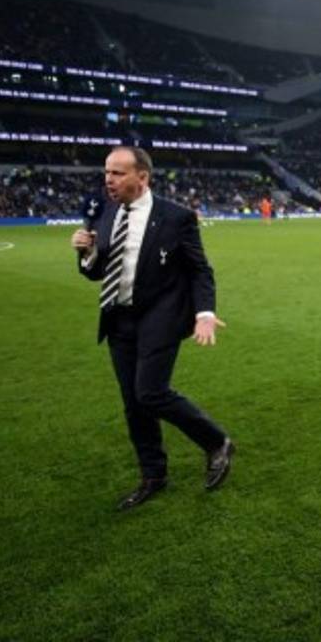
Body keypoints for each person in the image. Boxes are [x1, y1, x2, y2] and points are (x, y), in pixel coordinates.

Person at [70, 147, 234, 510]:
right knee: (133, 403)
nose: (108, 180)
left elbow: (199, 269)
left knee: (150, 392)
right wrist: (85, 252)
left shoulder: (175, 217)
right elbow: (96, 272)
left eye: (117, 173)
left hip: (160, 315)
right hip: (118, 317)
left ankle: (216, 441)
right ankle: (153, 475)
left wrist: (204, 312)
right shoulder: (105, 210)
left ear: (142, 176)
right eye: (106, 172)